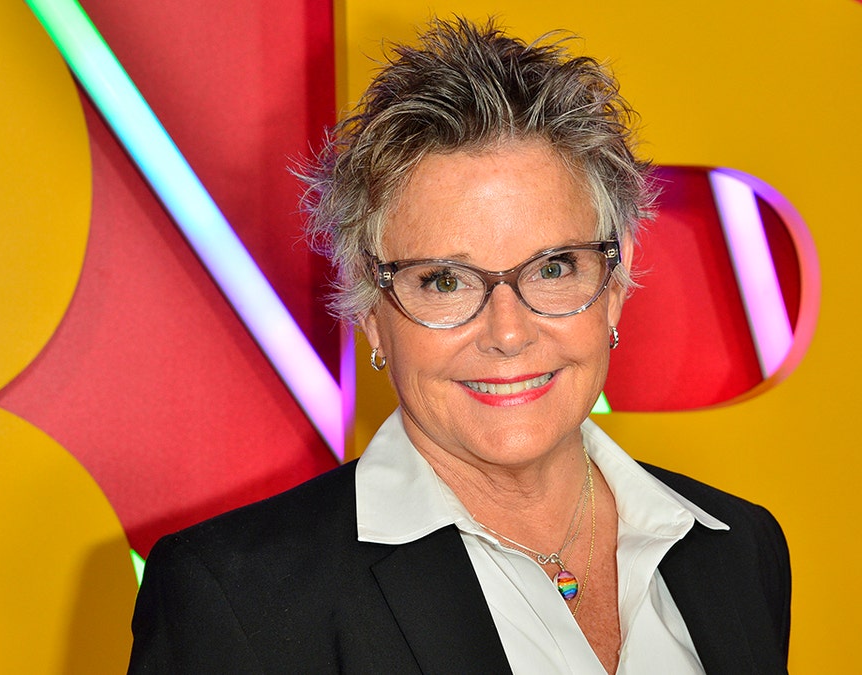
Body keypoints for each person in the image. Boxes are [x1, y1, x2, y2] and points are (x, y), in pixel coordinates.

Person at [128, 17, 790, 674]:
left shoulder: (739, 549)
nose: (507, 332)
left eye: (553, 267)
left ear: (613, 284)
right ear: (372, 313)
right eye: (443, 280)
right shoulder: (236, 600)